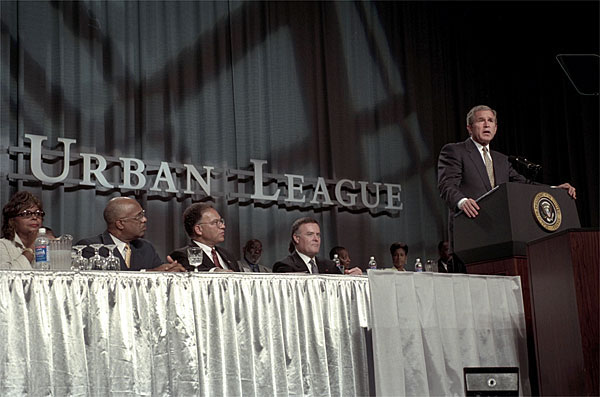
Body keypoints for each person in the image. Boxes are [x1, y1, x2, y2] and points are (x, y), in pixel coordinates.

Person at [437, 105, 576, 244]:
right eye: (481, 120)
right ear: (469, 127)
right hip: (469, 228)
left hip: (499, 231)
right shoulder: (455, 151)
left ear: (495, 128)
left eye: (490, 121)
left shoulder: (501, 159)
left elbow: (524, 184)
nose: (486, 124)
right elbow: (446, 185)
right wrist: (462, 202)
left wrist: (555, 189)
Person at [77, 197, 184, 272]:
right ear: (120, 224)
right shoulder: (90, 247)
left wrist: (170, 270)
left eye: (143, 214)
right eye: (139, 217)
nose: (145, 219)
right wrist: (146, 273)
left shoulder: (146, 247)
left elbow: (159, 272)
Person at [272, 217, 363, 275]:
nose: (316, 239)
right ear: (296, 238)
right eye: (310, 234)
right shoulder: (285, 266)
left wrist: (351, 280)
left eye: (318, 235)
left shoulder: (330, 266)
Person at [169, 203, 239, 272]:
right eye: (215, 222)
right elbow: (191, 273)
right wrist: (214, 271)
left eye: (221, 221)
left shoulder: (228, 255)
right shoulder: (182, 255)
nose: (223, 226)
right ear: (198, 230)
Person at [0, 191, 44, 270]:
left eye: (38, 213)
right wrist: (30, 249)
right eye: (26, 214)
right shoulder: (3, 245)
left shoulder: (48, 244)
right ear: (12, 220)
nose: (34, 217)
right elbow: (5, 277)